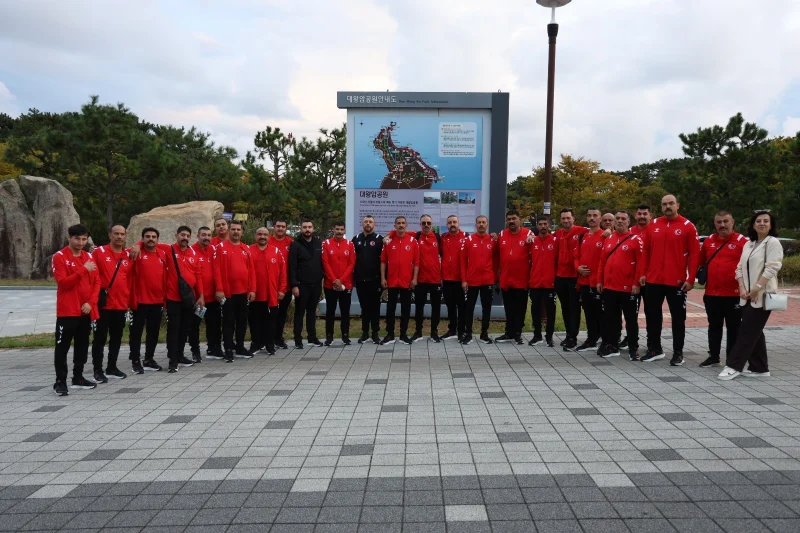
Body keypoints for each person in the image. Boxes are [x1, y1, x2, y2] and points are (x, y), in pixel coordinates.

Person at [718, 211, 784, 380]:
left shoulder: (772, 242)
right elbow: (739, 268)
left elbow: (772, 267)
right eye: (758, 221)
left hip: (762, 296)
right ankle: (760, 368)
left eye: (766, 221)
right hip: (746, 295)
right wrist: (742, 288)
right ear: (753, 225)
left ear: (771, 225)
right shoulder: (749, 243)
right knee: (755, 331)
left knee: (747, 331)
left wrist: (757, 288)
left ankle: (734, 366)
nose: (762, 223)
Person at [640, 195, 700, 365]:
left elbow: (695, 254)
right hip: (654, 280)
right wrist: (643, 273)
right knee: (652, 316)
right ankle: (655, 349)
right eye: (664, 204)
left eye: (671, 203)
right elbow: (645, 251)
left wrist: (691, 278)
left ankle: (678, 353)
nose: (668, 206)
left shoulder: (688, 226)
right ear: (661, 207)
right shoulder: (653, 225)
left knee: (678, 318)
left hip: (677, 281)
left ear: (677, 205)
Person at [52, 224, 100, 395]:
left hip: (85, 310)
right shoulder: (59, 257)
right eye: (77, 239)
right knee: (62, 347)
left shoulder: (89, 256)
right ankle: (60, 381)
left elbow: (97, 282)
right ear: (69, 238)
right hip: (67, 311)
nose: (81, 242)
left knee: (82, 345)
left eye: (84, 239)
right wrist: (83, 270)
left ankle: (78, 377)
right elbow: (63, 283)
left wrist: (91, 303)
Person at [699, 211, 746, 368]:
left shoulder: (743, 242)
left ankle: (732, 359)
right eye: (719, 222)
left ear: (732, 222)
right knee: (714, 326)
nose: (722, 225)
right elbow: (701, 262)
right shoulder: (708, 241)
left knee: (734, 328)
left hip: (734, 294)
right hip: (712, 293)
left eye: (726, 221)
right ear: (715, 224)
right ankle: (713, 356)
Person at [597, 211, 644, 361]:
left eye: (623, 219)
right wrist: (600, 280)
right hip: (610, 287)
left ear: (629, 222)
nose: (620, 221)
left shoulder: (635, 239)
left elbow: (641, 263)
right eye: (617, 218)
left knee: (631, 320)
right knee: (611, 319)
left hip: (628, 288)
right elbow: (602, 262)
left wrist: (636, 283)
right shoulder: (609, 239)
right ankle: (612, 346)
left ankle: (633, 348)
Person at [90, 225, 132, 383]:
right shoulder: (99, 252)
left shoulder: (128, 255)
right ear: (110, 235)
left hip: (120, 304)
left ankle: (112, 367)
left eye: (122, 234)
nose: (119, 237)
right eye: (116, 234)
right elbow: (91, 276)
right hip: (103, 304)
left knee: (116, 337)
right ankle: (97, 369)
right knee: (100, 338)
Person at [161, 226, 203, 373]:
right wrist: (138, 245)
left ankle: (180, 355)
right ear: (176, 235)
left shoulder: (193, 253)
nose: (185, 238)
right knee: (174, 329)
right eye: (182, 235)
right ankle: (172, 360)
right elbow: (149, 242)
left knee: (184, 328)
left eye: (187, 235)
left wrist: (201, 296)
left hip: (189, 298)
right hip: (173, 297)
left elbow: (198, 276)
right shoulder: (169, 249)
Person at [214, 220, 256, 362]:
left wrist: (252, 290)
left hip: (243, 293)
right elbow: (216, 270)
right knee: (228, 322)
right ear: (229, 231)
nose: (236, 232)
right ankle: (228, 349)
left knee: (242, 321)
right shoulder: (220, 247)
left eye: (238, 229)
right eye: (233, 229)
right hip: (227, 293)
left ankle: (240, 347)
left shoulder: (246, 248)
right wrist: (219, 289)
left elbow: (251, 271)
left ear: (242, 232)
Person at [128, 227, 167, 374]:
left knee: (153, 332)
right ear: (142, 238)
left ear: (158, 239)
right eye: (147, 236)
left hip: (157, 301)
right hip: (139, 301)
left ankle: (149, 359)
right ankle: (135, 361)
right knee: (136, 333)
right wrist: (137, 245)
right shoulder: (135, 252)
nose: (151, 239)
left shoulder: (162, 253)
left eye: (153, 237)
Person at [380, 216, 419, 345]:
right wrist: (383, 277)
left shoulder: (412, 241)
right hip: (392, 282)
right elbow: (383, 261)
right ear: (395, 226)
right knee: (390, 309)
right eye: (398, 223)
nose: (401, 225)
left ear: (406, 225)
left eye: (403, 223)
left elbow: (416, 262)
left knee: (405, 309)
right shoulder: (389, 241)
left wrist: (414, 278)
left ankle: (403, 334)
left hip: (406, 282)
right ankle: (390, 334)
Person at [250, 227, 288, 355]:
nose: (262, 237)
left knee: (271, 321)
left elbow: (283, 273)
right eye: (259, 234)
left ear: (269, 236)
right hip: (254, 294)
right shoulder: (249, 250)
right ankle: (256, 343)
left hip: (272, 294)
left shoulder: (276, 251)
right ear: (255, 236)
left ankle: (270, 344)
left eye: (265, 234)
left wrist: (282, 290)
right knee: (254, 320)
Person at [554, 208, 588, 351]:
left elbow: (597, 231)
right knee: (565, 308)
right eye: (563, 218)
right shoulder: (558, 234)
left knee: (574, 308)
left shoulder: (582, 231)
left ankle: (573, 337)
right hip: (560, 277)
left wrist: (608, 231)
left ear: (573, 218)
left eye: (568, 218)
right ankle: (569, 334)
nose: (566, 220)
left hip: (574, 277)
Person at [495, 210, 531, 344]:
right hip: (506, 279)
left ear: (519, 220)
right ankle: (509, 332)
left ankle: (517, 333)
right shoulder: (502, 234)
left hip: (522, 280)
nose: (511, 221)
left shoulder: (528, 234)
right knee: (508, 308)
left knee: (520, 308)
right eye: (509, 219)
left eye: (514, 218)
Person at [574, 208, 607, 352]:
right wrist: (578, 268)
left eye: (595, 215)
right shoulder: (583, 236)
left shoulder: (605, 235)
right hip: (584, 282)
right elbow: (576, 257)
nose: (592, 218)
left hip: (598, 283)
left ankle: (606, 340)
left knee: (601, 313)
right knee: (588, 312)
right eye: (589, 215)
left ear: (600, 218)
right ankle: (591, 339)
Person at [288, 219, 324, 348]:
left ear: (313, 229)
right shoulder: (295, 244)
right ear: (301, 229)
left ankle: (312, 337)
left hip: (316, 284)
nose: (307, 229)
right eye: (305, 227)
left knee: (312, 312)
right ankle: (298, 339)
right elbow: (292, 266)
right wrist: (294, 285)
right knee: (299, 313)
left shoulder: (318, 243)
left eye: (309, 227)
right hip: (301, 285)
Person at [461, 215, 497, 345]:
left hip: (487, 280)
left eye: (483, 222)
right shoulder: (469, 240)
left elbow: (496, 260)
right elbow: (463, 261)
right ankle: (468, 334)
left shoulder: (493, 240)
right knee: (469, 308)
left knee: (486, 308)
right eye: (479, 222)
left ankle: (484, 334)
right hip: (472, 280)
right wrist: (464, 280)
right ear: (475, 225)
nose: (481, 224)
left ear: (487, 224)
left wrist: (494, 277)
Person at [322, 222, 356, 345]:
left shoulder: (350, 244)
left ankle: (345, 336)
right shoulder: (326, 243)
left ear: (344, 230)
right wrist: (334, 280)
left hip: (346, 284)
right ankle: (329, 336)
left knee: (345, 311)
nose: (339, 231)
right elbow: (325, 263)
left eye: (342, 229)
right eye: (337, 229)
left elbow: (352, 264)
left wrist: (341, 280)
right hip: (330, 284)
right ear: (333, 230)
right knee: (330, 311)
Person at [191, 226, 222, 361]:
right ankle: (195, 351)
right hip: (199, 299)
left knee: (214, 324)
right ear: (198, 236)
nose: (206, 238)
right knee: (195, 325)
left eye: (209, 235)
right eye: (203, 235)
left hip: (212, 298)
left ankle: (213, 348)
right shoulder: (191, 251)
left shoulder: (213, 250)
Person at [352, 215, 383, 344]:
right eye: (366, 222)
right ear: (362, 224)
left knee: (375, 307)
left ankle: (375, 333)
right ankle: (365, 333)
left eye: (370, 222)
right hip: (360, 280)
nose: (368, 224)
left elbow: (383, 260)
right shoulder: (356, 239)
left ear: (374, 225)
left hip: (375, 280)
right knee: (364, 307)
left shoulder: (379, 239)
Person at [412, 214, 443, 342]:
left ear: (432, 224)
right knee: (419, 307)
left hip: (435, 279)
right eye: (424, 223)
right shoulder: (416, 236)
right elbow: (398, 231)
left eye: (428, 223)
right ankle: (418, 332)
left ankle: (434, 333)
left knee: (436, 308)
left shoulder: (437, 237)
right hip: (420, 279)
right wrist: (389, 235)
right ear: (420, 224)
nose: (426, 225)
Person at [528, 216, 558, 347]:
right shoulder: (532, 241)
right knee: (535, 309)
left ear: (549, 225)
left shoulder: (555, 241)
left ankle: (549, 336)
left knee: (551, 311)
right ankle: (537, 335)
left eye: (545, 224)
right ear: (537, 226)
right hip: (535, 282)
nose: (543, 226)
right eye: (540, 224)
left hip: (550, 283)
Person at [269, 219, 294, 348]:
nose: (280, 228)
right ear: (274, 227)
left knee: (282, 313)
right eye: (278, 226)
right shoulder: (267, 240)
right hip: (269, 285)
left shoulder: (291, 243)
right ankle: (267, 339)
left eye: (283, 226)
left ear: (286, 228)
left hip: (286, 286)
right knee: (269, 314)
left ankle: (278, 338)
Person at [441, 215, 466, 341]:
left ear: (458, 223)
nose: (452, 224)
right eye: (450, 222)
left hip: (460, 279)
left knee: (462, 307)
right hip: (447, 279)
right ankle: (452, 330)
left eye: (454, 222)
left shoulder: (466, 237)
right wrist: (390, 234)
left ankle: (462, 331)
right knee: (450, 306)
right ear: (447, 225)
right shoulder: (443, 238)